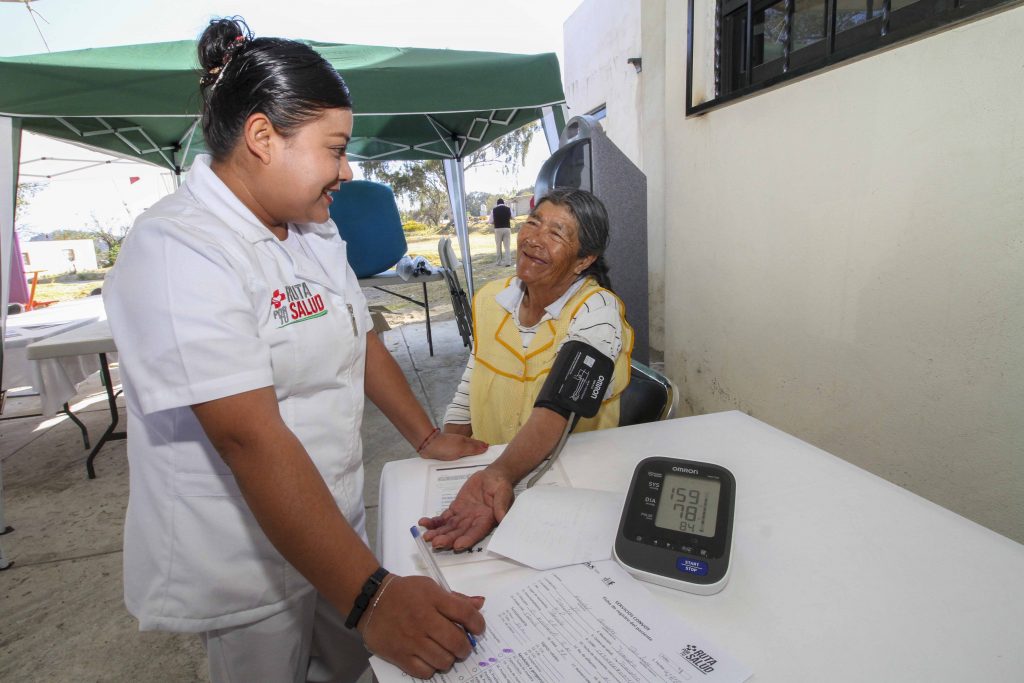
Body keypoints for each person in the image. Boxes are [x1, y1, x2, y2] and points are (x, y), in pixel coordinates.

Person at [103, 18, 488, 683]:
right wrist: (375, 597)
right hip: (243, 560)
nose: (347, 170)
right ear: (260, 137)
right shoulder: (176, 250)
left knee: (357, 670)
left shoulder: (312, 226)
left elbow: (356, 334)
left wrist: (424, 436)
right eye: (335, 148)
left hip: (334, 523)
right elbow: (247, 438)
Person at [421, 188, 633, 551]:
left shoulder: (598, 313)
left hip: (569, 482)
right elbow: (475, 373)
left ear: (584, 260)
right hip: (495, 468)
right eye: (533, 223)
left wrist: (500, 474)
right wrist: (450, 446)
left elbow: (560, 404)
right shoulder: (491, 298)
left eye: (557, 233)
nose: (535, 239)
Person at [489, 197, 513, 266]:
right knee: (507, 246)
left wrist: (495, 221)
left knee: (498, 246)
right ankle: (508, 262)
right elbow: (513, 217)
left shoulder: (494, 210)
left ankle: (498, 262)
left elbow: (490, 221)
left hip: (498, 229)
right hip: (507, 228)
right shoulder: (508, 209)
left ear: (497, 204)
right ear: (503, 203)